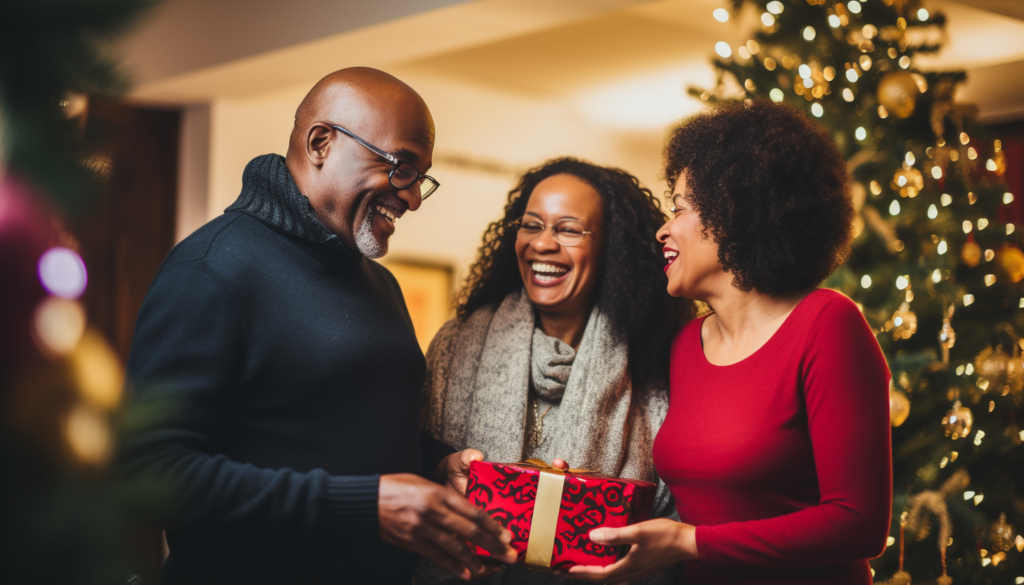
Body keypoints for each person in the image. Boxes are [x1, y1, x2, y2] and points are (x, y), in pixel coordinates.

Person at [117, 67, 517, 585]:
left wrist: (433, 466)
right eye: (401, 167)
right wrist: (363, 503)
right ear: (321, 143)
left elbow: (339, 438)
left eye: (421, 178)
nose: (413, 197)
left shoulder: (380, 284)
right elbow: (145, 474)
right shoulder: (214, 268)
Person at [568, 100, 892, 584]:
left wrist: (688, 542)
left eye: (678, 208)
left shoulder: (827, 324)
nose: (664, 228)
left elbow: (858, 524)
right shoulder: (684, 345)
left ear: (732, 213)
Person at [417, 158, 690, 584]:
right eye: (531, 225)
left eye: (567, 228)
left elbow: (676, 513)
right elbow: (410, 465)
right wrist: (440, 468)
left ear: (611, 247)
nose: (542, 244)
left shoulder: (658, 361)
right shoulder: (456, 342)